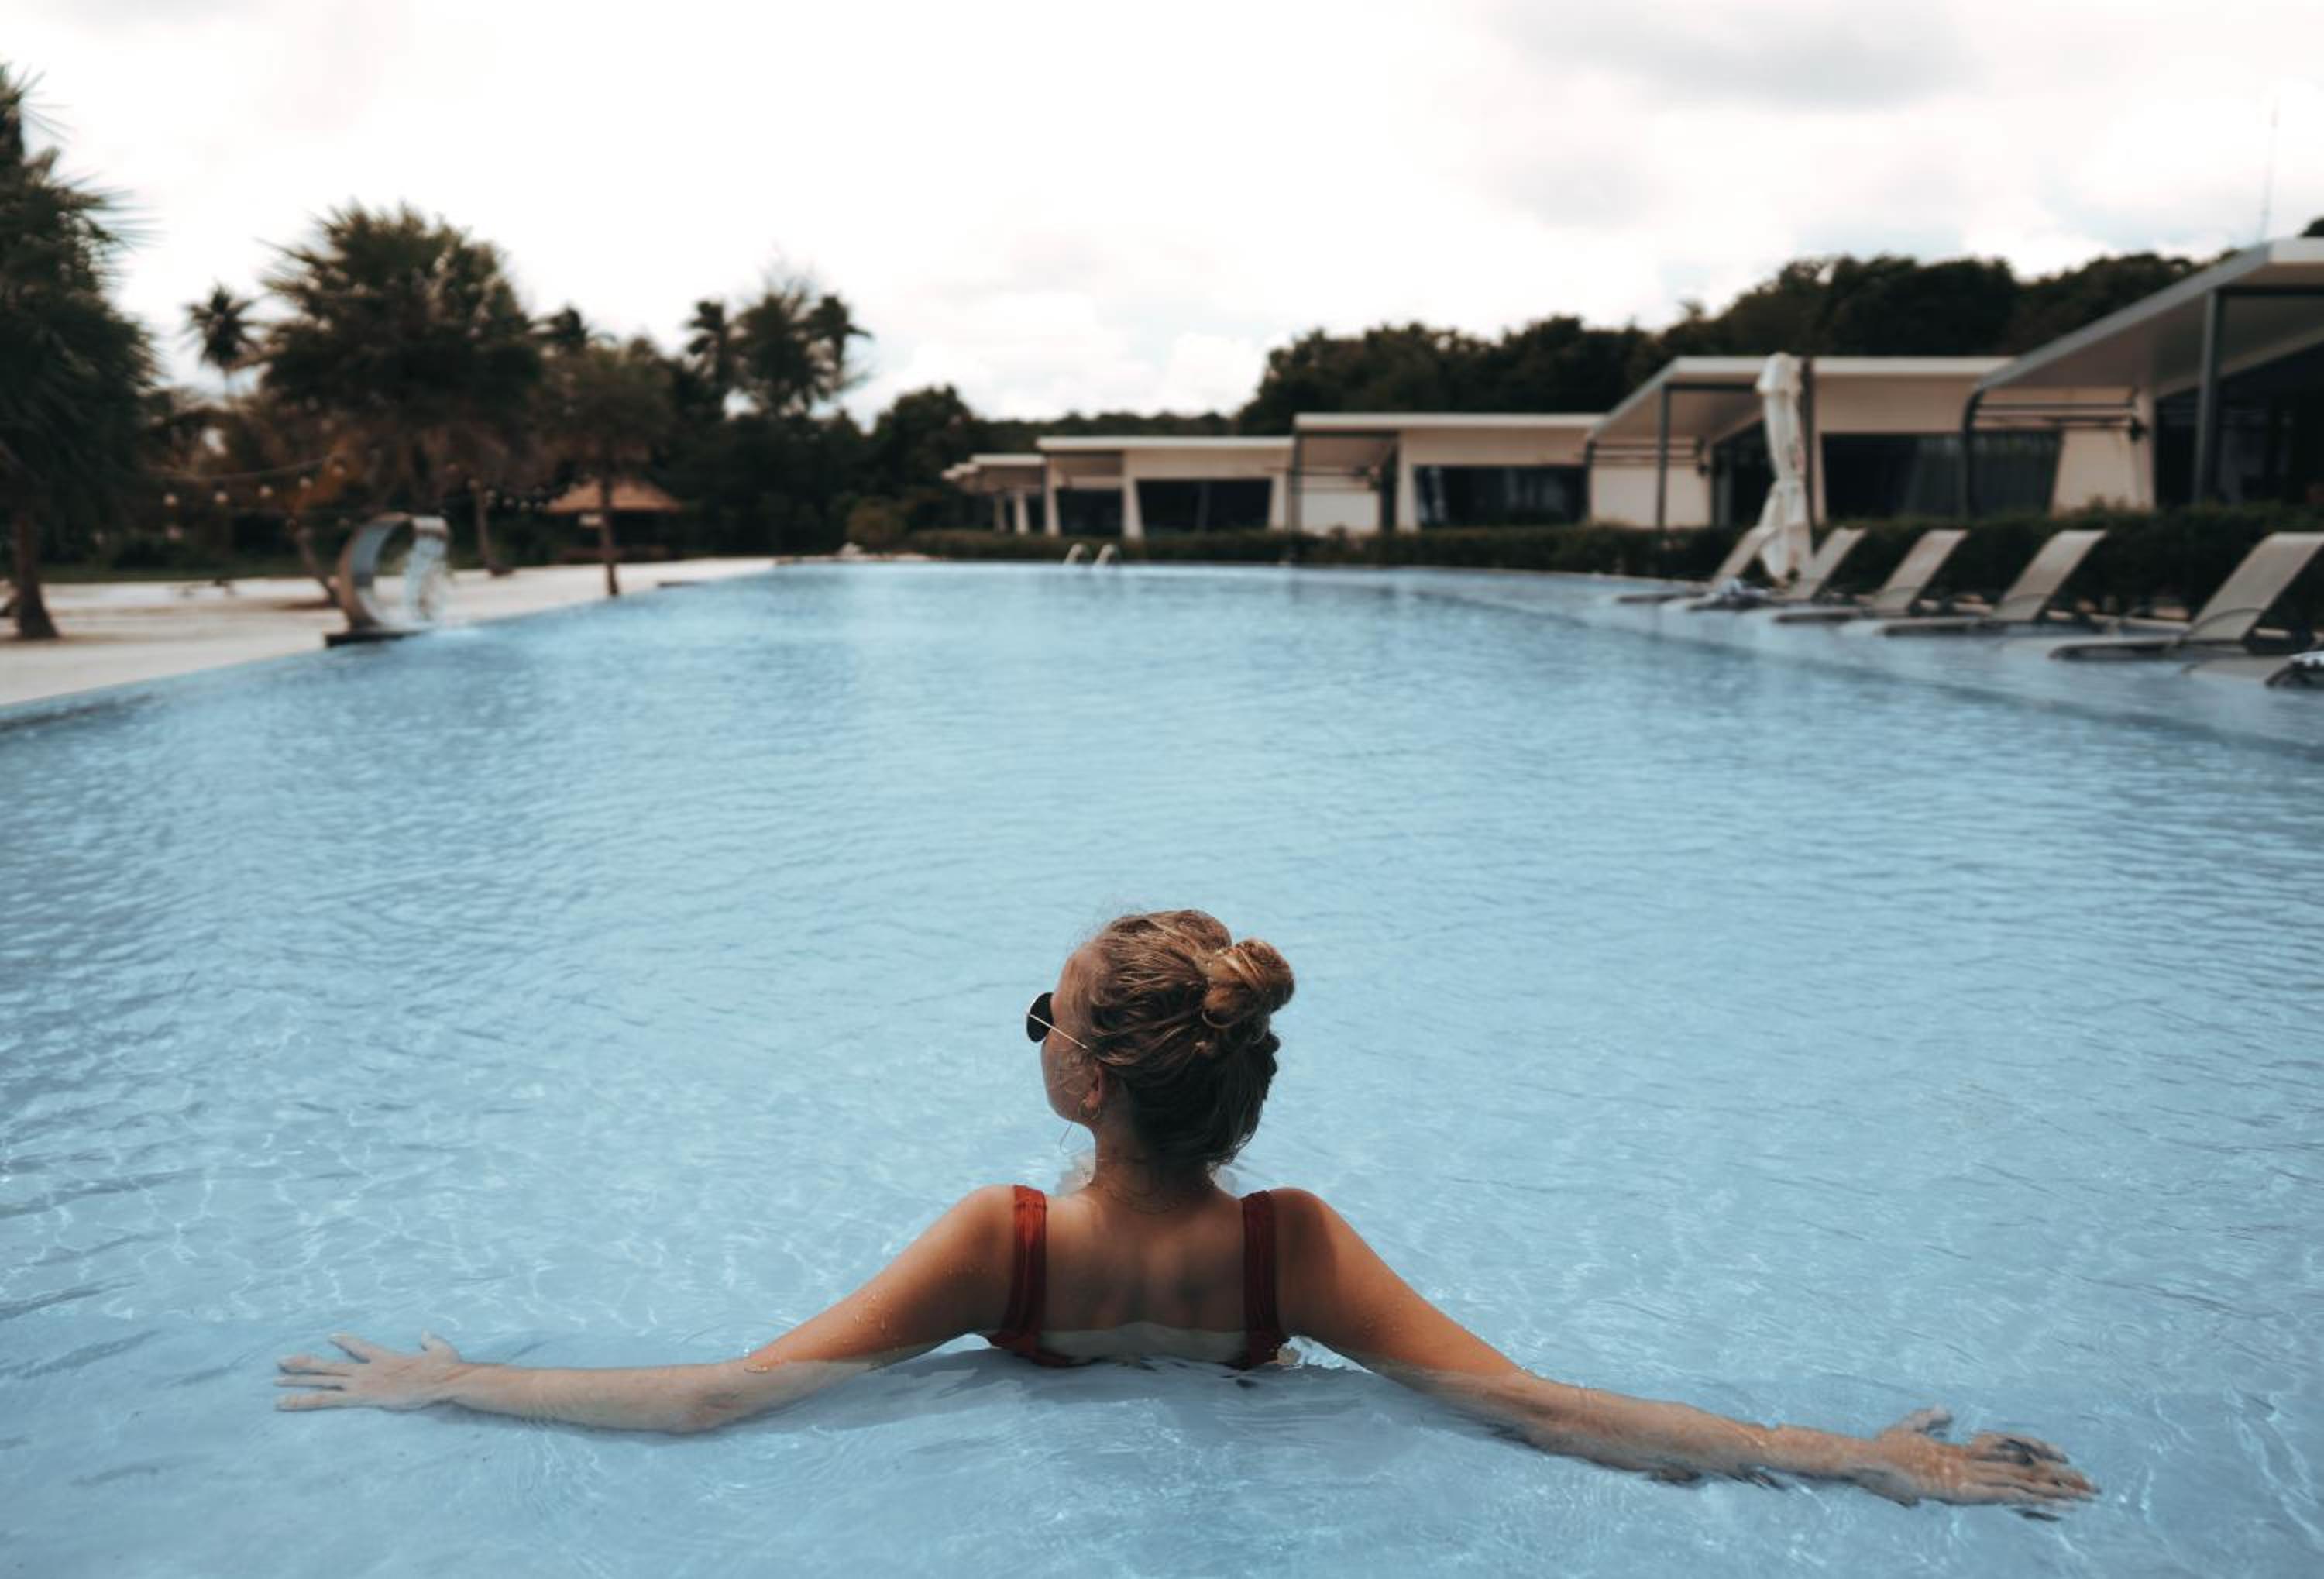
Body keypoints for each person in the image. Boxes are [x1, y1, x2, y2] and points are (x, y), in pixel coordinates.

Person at [277, 908, 2095, 1511]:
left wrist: (465, 1378)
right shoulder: (1288, 1248)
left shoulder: (1000, 1241)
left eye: (1046, 1016)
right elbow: (1540, 1411)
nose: (1042, 1035)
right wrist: (1862, 1458)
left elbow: (722, 1398)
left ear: (1082, 1079)